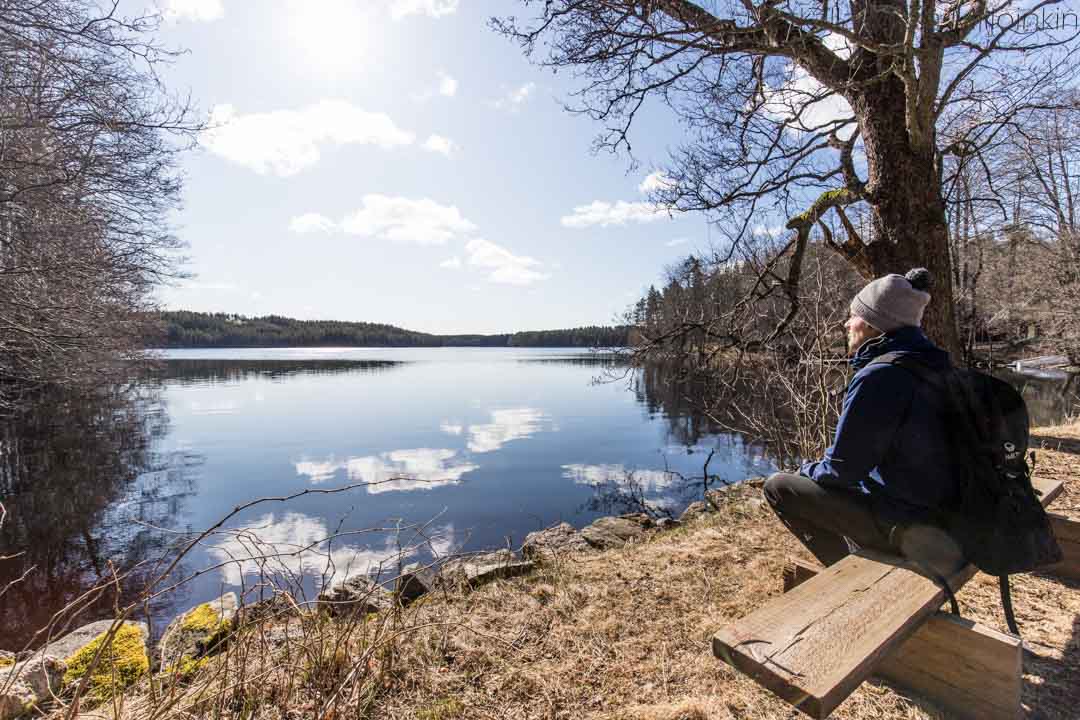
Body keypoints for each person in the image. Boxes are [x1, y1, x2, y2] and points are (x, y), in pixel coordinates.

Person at [763, 268, 964, 573]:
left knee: (779, 487)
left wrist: (804, 469)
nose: (847, 323)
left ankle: (848, 575)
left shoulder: (880, 376)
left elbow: (841, 470)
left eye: (854, 315)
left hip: (912, 528)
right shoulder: (938, 364)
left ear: (873, 324)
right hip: (951, 518)